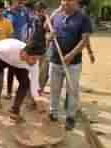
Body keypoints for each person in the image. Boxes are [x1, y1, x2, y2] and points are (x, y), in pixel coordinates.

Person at [48, 0, 92, 131]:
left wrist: (71, 55)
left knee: (72, 90)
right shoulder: (56, 16)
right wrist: (49, 37)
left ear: (76, 3)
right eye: (63, 3)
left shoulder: (83, 18)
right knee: (54, 89)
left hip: (73, 64)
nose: (65, 5)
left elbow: (84, 40)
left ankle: (70, 117)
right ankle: (53, 112)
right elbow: (47, 33)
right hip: (55, 60)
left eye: (68, 3)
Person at [3, 0, 31, 100]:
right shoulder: (6, 13)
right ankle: (9, 92)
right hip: (11, 46)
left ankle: (24, 90)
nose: (20, 4)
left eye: (21, 3)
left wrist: (28, 40)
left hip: (23, 46)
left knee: (24, 67)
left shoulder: (25, 12)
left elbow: (30, 27)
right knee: (11, 69)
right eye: (18, 2)